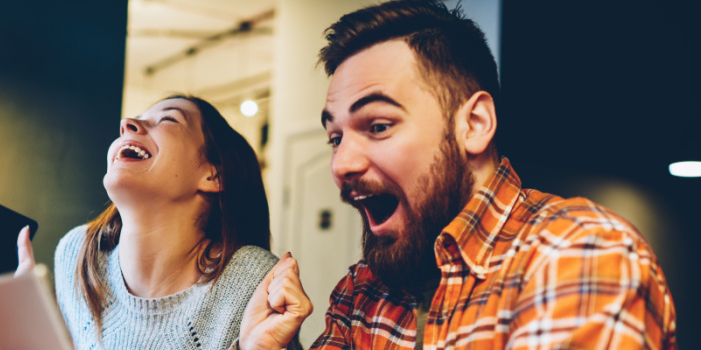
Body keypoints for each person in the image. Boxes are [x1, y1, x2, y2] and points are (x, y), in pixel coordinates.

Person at [240, 0, 677, 349]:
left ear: (475, 125)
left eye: (378, 126)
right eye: (335, 138)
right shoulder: (361, 293)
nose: (341, 165)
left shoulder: (576, 253)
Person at [0, 95, 305, 349]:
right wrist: (13, 319)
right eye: (133, 120)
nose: (128, 124)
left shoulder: (252, 280)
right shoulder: (77, 254)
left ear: (213, 175)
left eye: (167, 119)